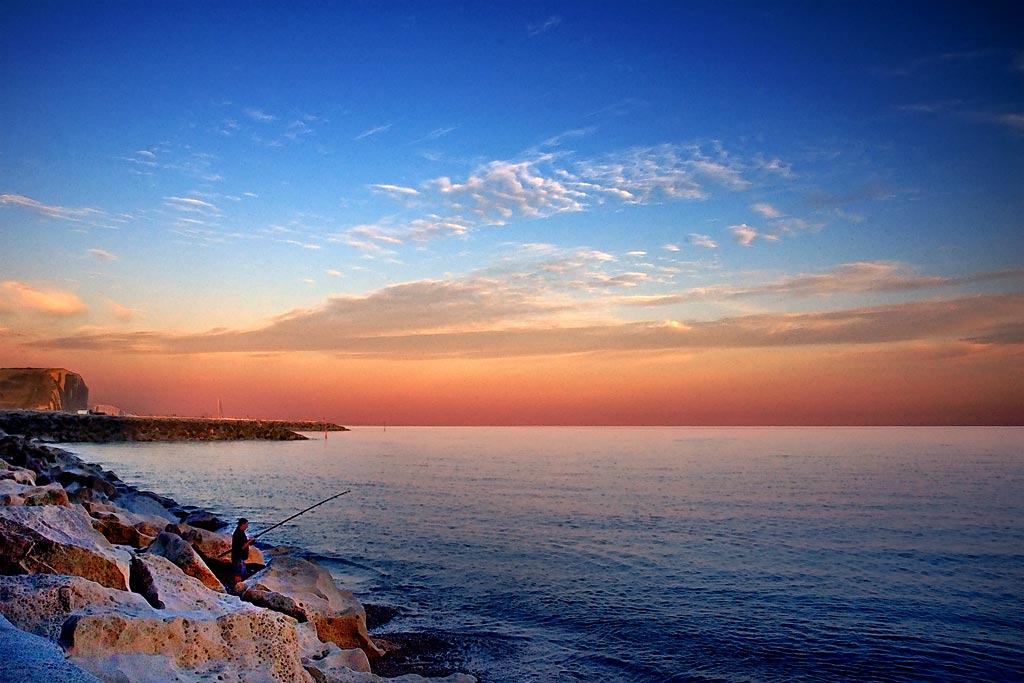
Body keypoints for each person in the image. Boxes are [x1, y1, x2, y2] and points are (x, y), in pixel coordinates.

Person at [231, 518, 253, 588]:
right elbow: (242, 547)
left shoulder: (240, 531)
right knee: (238, 573)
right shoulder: (238, 533)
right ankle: (237, 587)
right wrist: (250, 541)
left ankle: (238, 586)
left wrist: (249, 540)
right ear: (242, 524)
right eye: (246, 524)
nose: (247, 526)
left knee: (240, 572)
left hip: (239, 556)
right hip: (238, 556)